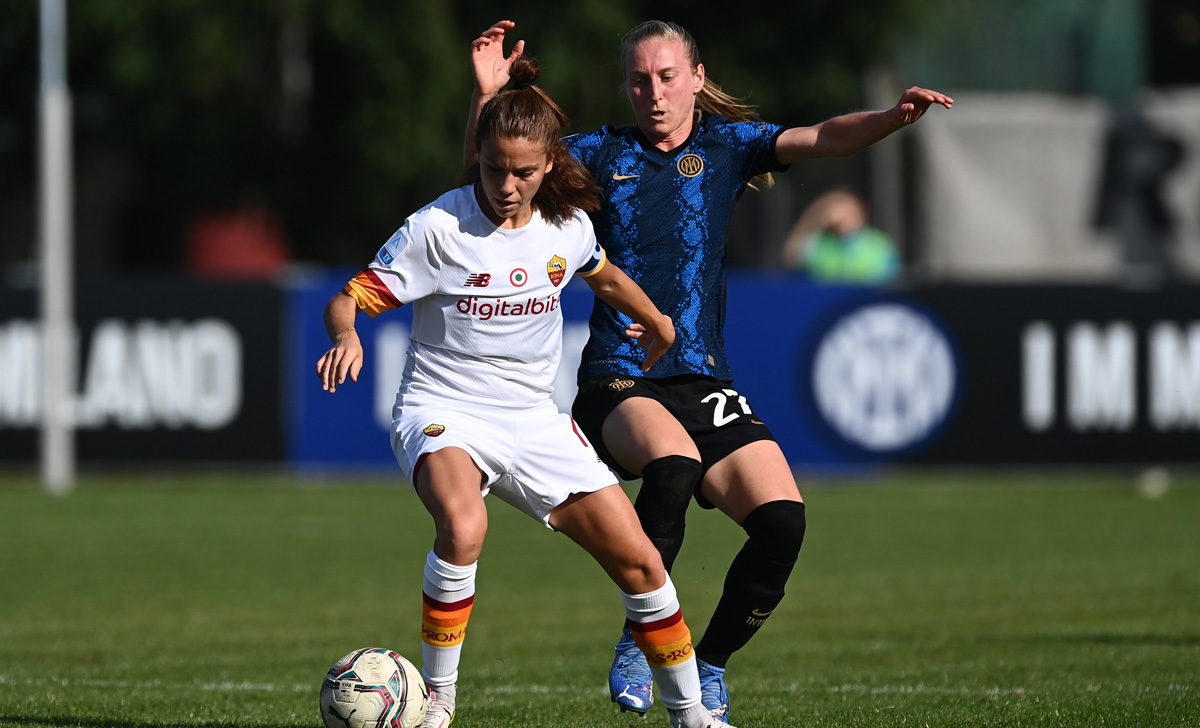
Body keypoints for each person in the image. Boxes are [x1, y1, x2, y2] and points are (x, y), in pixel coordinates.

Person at [468, 20, 953, 724]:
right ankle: (640, 639)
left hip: (702, 379)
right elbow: (496, 169)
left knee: (783, 523)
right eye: (640, 80)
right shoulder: (598, 154)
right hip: (619, 377)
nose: (654, 93)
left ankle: (711, 664)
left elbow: (823, 137)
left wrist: (892, 118)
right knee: (674, 463)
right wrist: (487, 97)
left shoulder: (729, 146)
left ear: (696, 79)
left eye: (667, 77)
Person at [318, 56, 734, 728]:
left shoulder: (565, 228)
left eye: (523, 172)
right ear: (477, 157)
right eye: (493, 169)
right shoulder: (438, 228)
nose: (506, 186)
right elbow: (348, 298)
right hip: (444, 409)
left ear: (548, 166)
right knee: (464, 526)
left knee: (641, 563)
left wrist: (657, 320)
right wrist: (347, 335)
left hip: (534, 418)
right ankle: (438, 705)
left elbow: (602, 274)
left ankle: (692, 717)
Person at [781, 188, 900, 283]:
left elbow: (889, 280)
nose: (842, 216)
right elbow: (791, 258)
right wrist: (817, 216)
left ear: (860, 210)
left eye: (848, 210)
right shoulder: (820, 243)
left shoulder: (879, 244)